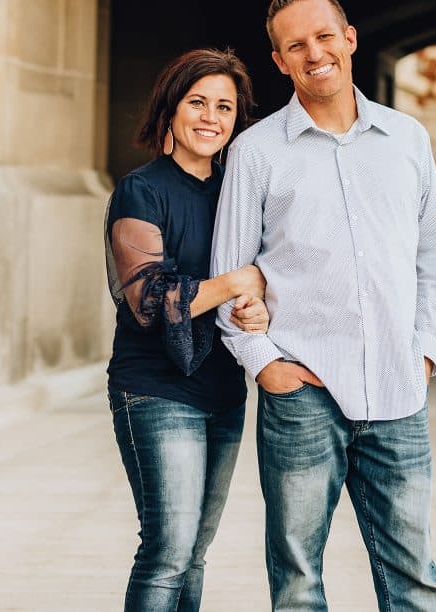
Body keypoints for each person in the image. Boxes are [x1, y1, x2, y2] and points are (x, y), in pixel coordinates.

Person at [211, 0, 436, 611]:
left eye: (325, 36)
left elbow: (433, 259)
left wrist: (424, 349)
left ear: (349, 39)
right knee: (296, 581)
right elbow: (230, 273)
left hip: (399, 392)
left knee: (417, 580)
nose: (314, 52)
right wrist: (266, 364)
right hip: (304, 397)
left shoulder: (408, 140)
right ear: (278, 60)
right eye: (296, 45)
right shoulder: (256, 153)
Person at [105, 47, 269, 612]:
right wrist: (237, 282)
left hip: (223, 390)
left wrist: (258, 305)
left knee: (195, 554)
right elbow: (150, 301)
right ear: (171, 109)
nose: (210, 117)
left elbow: (266, 278)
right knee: (167, 551)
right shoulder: (141, 190)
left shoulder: (238, 192)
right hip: (155, 388)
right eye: (197, 101)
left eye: (224, 107)